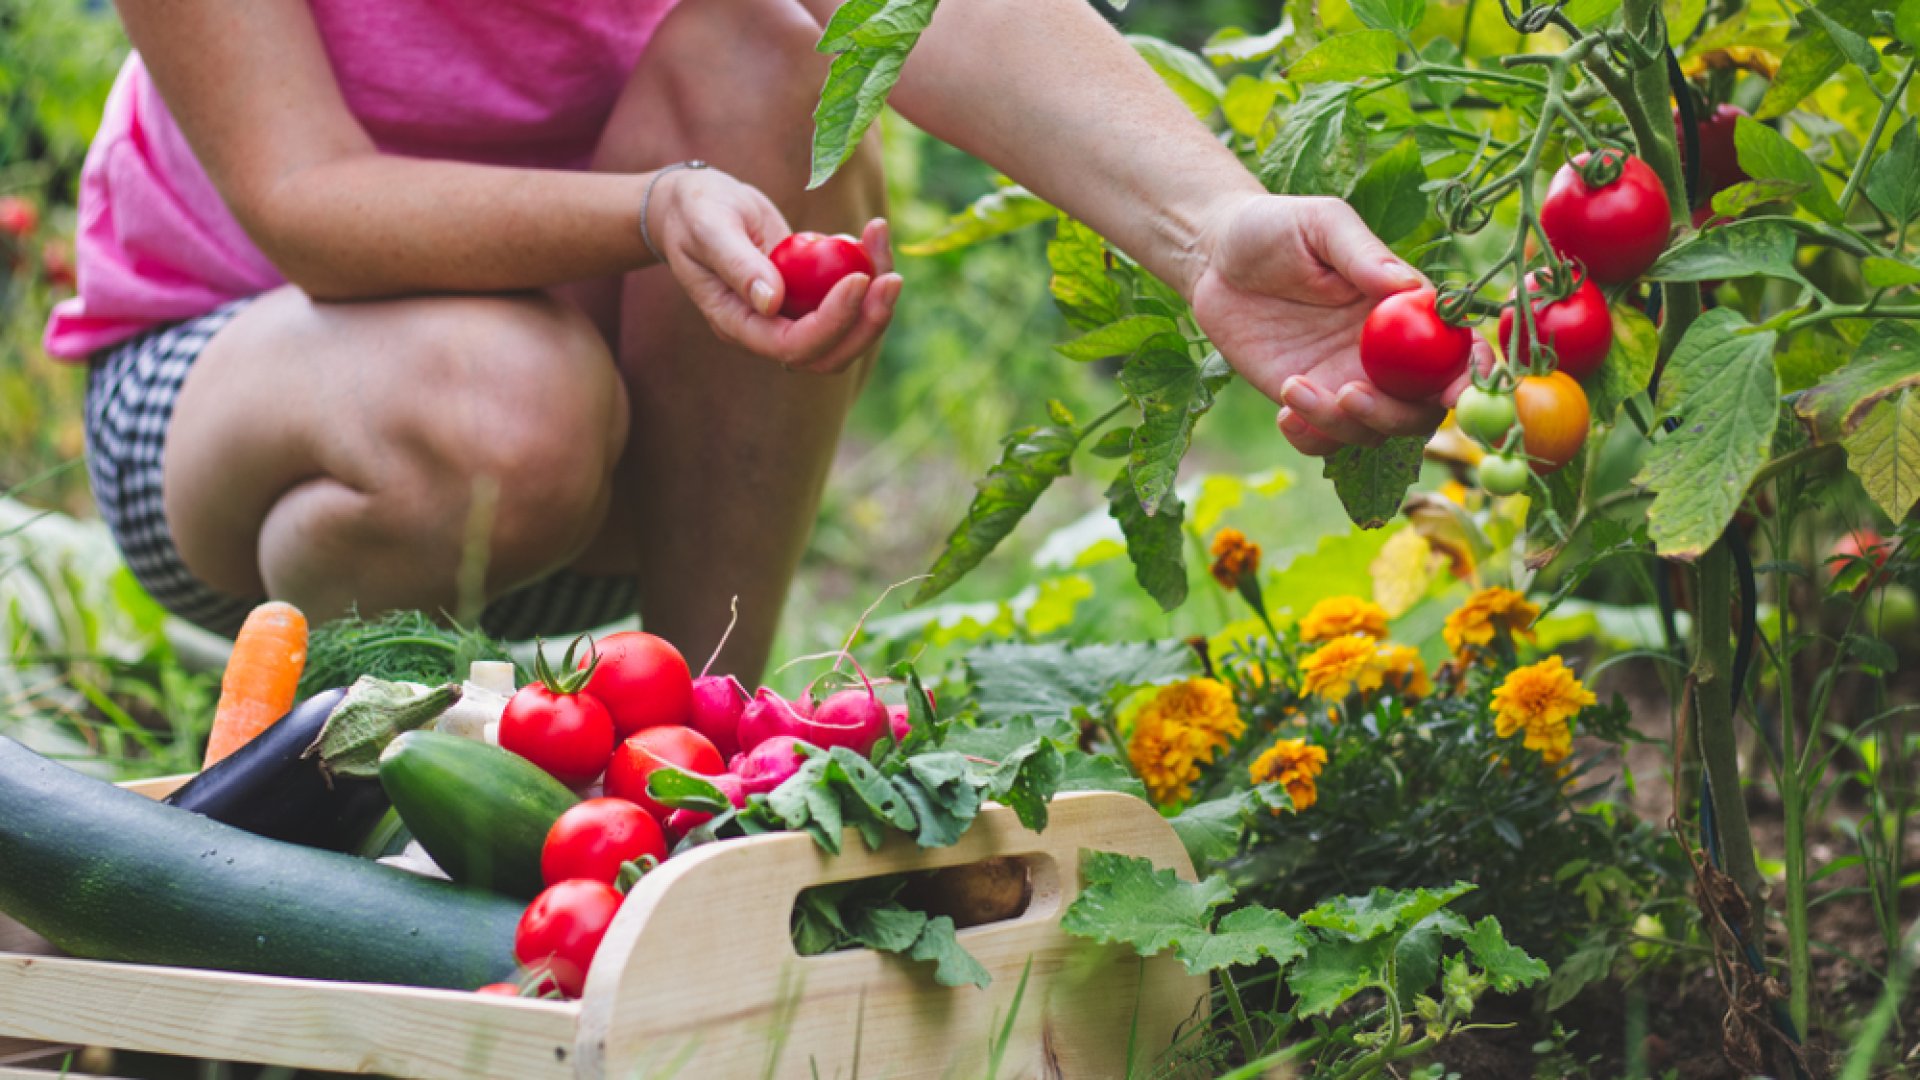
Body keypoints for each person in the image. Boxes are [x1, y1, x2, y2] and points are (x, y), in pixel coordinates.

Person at [53, 0, 1484, 682]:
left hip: (615, 437)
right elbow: (309, 204)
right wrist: (651, 210)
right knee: (498, 408)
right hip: (247, 409)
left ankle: (695, 737)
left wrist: (1207, 228)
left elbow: (935, 12)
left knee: (772, 53)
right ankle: (323, 768)